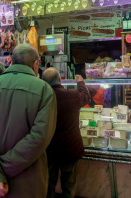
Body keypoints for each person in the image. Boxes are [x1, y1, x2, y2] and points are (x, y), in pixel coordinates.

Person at [0, 44, 57, 198]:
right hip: (28, 186)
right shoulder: (44, 90)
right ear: (35, 64)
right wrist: (2, 170)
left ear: (11, 62)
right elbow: (39, 137)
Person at [42, 67, 91, 198]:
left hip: (49, 148)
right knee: (68, 185)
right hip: (69, 147)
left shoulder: (41, 98)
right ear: (60, 80)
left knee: (48, 183)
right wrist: (80, 82)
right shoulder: (72, 95)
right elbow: (86, 97)